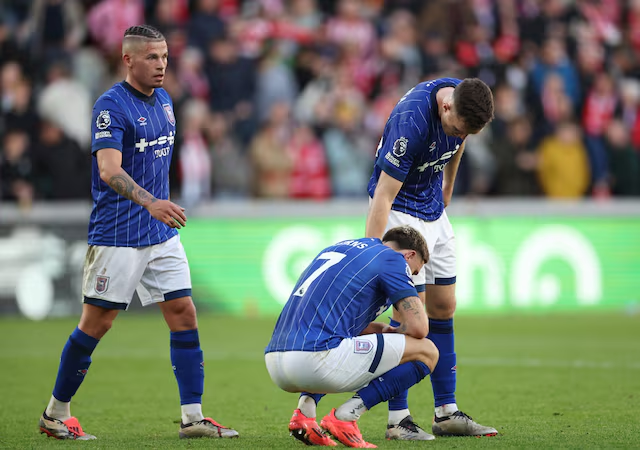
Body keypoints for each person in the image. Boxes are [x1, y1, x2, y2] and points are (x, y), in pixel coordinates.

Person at [38, 25, 239, 441]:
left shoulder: (165, 101)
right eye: (152, 57)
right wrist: (151, 202)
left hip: (161, 234)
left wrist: (159, 207)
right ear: (128, 59)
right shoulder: (111, 107)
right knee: (97, 324)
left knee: (184, 313)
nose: (161, 64)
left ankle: (193, 417)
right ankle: (55, 414)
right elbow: (109, 170)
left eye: (164, 57)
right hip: (118, 233)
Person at [365, 77, 498, 439]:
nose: (459, 133)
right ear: (445, 107)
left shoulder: (464, 100)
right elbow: (382, 195)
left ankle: (446, 412)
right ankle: (398, 419)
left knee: (444, 306)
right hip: (401, 213)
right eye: (456, 126)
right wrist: (369, 254)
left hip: (434, 212)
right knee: (411, 316)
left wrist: (448, 187)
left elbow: (459, 141)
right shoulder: (411, 124)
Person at [265, 226, 440, 448]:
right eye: (414, 272)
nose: (412, 277)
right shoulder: (393, 259)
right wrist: (399, 332)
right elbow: (419, 328)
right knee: (428, 351)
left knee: (335, 338)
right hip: (314, 361)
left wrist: (382, 331)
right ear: (410, 255)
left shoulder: (341, 248)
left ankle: (304, 413)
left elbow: (334, 319)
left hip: (275, 361)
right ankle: (347, 416)